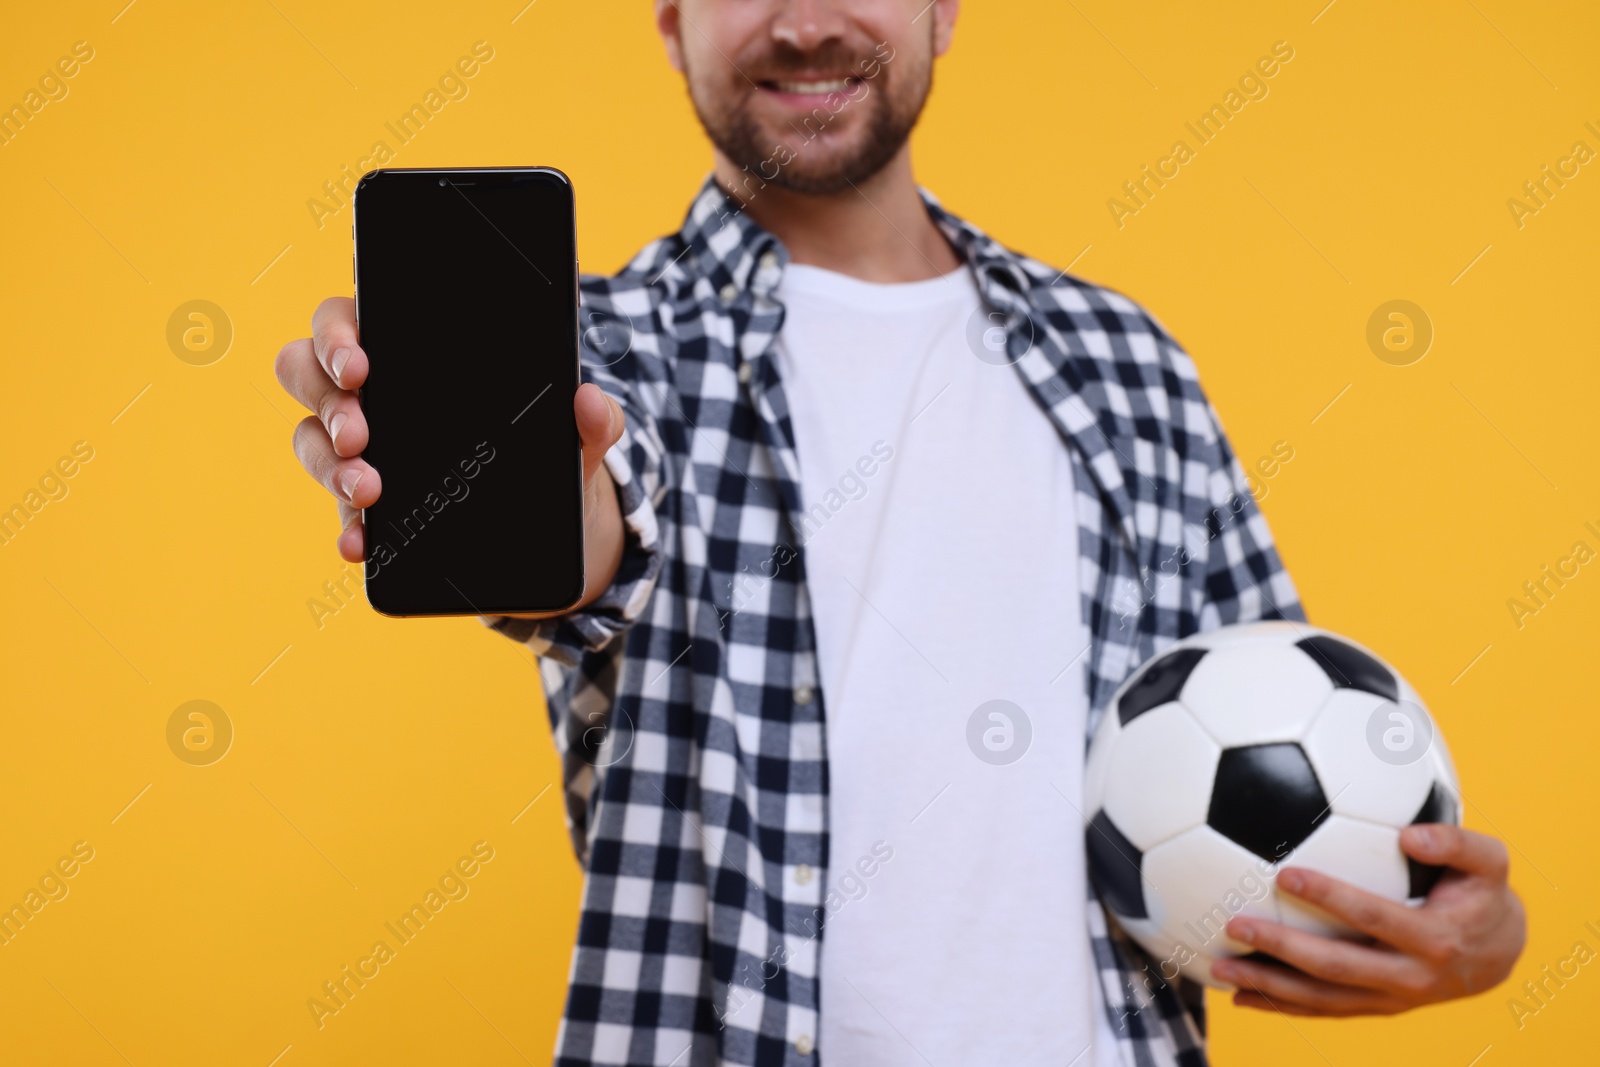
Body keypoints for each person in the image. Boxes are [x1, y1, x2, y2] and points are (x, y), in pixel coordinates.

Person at [274, 2, 1526, 1064]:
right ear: (668, 16)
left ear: (946, 4)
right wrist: (508, 472)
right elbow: (602, 525)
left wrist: (1456, 923)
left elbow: (1286, 749)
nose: (807, 20)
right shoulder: (597, 354)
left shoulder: (1128, 365)